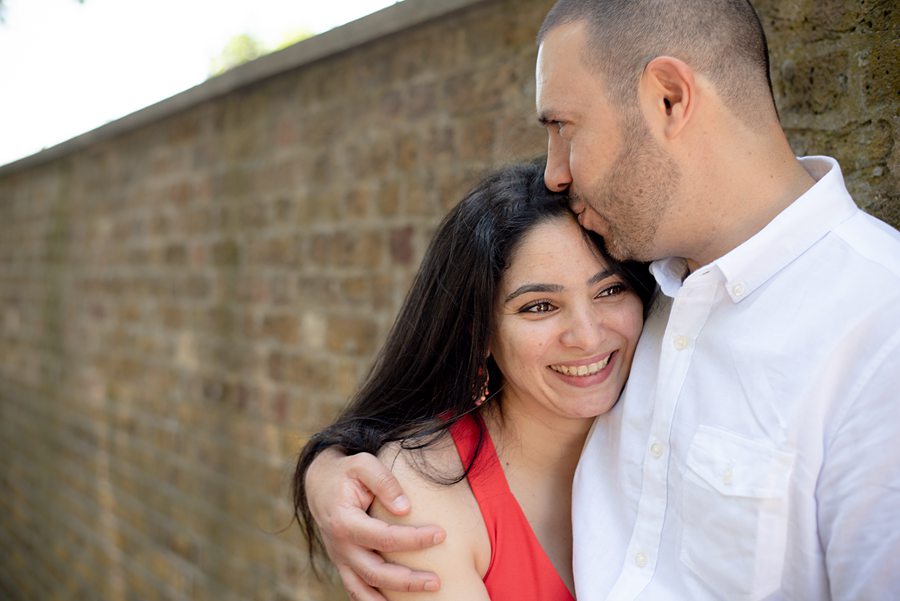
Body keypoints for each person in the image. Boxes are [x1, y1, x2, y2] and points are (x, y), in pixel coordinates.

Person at [303, 1, 900, 600]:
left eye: (563, 125)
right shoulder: (651, 284)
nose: (555, 174)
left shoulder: (878, 325)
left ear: (668, 97)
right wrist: (329, 472)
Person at [292, 159, 656, 600]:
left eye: (610, 290)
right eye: (539, 306)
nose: (588, 335)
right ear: (478, 332)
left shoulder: (675, 422)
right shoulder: (421, 499)